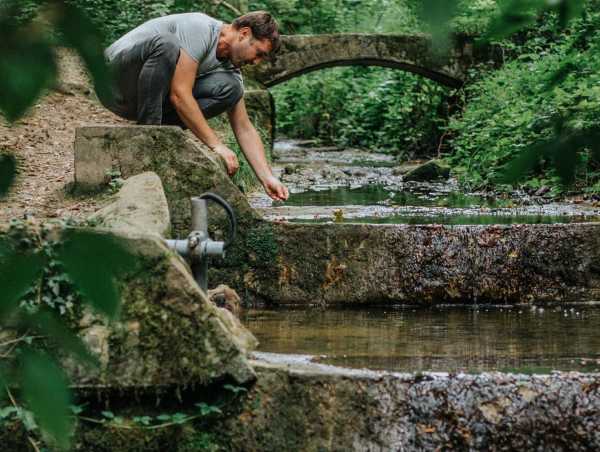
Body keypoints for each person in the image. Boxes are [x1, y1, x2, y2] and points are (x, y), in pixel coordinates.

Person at [101, 10, 289, 201]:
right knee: (167, 45)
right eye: (258, 53)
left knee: (232, 89)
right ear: (244, 34)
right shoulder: (200, 27)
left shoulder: (231, 68)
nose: (255, 62)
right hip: (113, 82)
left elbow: (244, 127)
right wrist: (217, 145)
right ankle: (149, 136)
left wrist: (267, 177)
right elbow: (179, 94)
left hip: (144, 100)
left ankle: (161, 132)